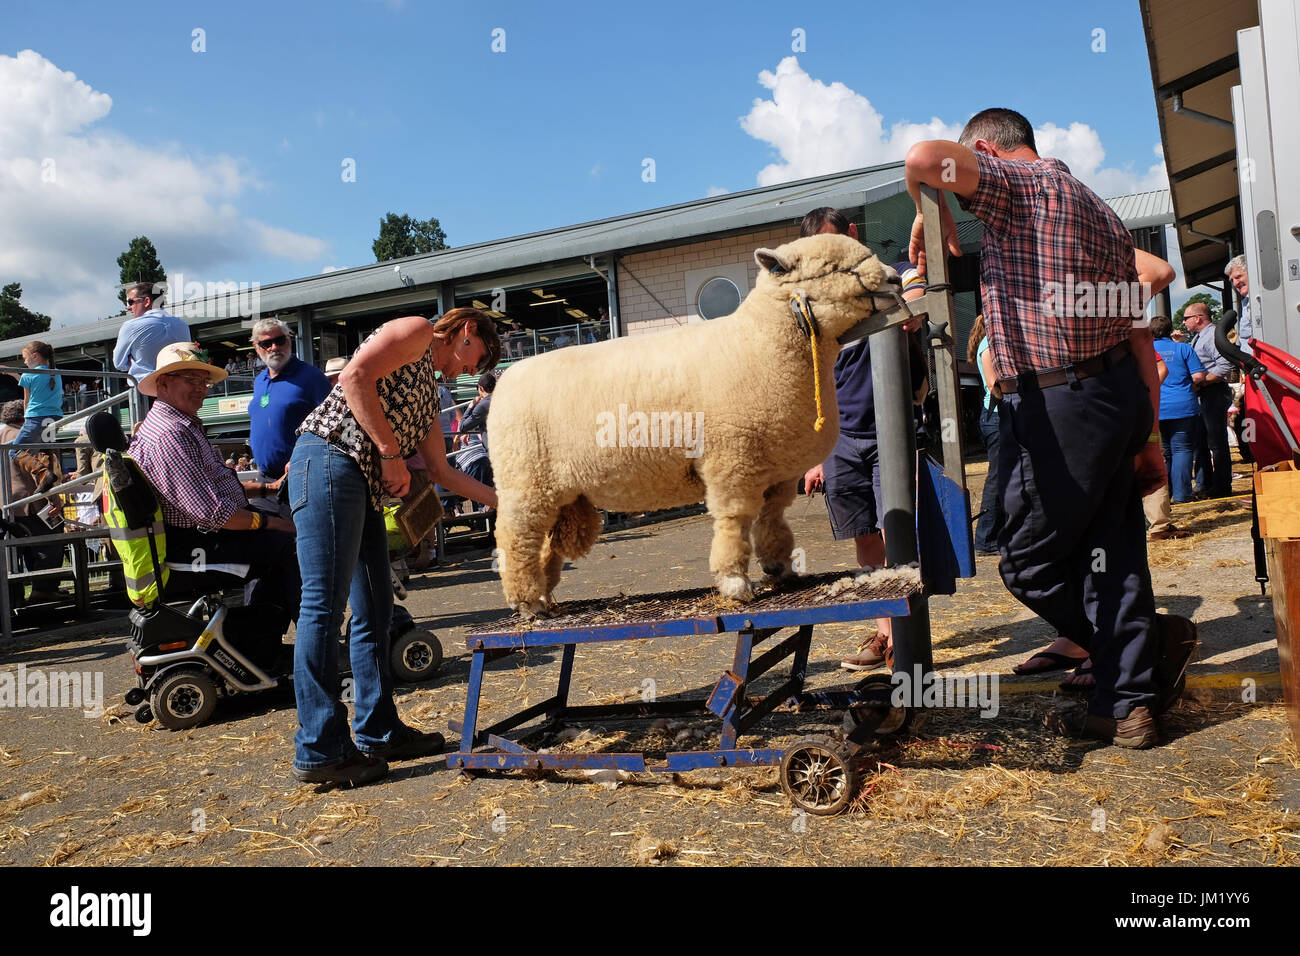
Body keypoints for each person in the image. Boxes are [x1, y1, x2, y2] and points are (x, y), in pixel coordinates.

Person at [906, 107, 1192, 748]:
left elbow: (924, 157)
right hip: (1111, 393)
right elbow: (1136, 332)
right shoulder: (1099, 210)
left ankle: (1133, 663)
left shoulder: (1020, 186)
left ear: (984, 149)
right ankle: (1129, 706)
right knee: (1114, 551)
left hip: (1060, 404)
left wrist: (936, 209)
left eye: (971, 166)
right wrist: (1145, 435)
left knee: (1027, 560)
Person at [289, 307, 500, 786]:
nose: (467, 373)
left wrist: (505, 502)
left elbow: (443, 473)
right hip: (327, 461)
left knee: (376, 608)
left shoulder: (428, 393)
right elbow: (354, 376)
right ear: (466, 332)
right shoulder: (418, 330)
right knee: (323, 605)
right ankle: (320, 747)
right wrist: (388, 452)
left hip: (357, 480)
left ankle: (379, 730)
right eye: (473, 361)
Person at [798, 207, 929, 671]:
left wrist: (911, 301)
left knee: (898, 533)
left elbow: (914, 292)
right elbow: (811, 379)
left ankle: (908, 639)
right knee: (865, 539)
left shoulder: (886, 276)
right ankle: (883, 634)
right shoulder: (812, 305)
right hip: (840, 439)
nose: (829, 260)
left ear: (853, 235)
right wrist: (815, 456)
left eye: (835, 246)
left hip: (891, 432)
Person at [130, 343, 300, 635]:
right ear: (163, 383)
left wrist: (269, 488)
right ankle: (318, 645)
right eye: (190, 380)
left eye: (203, 381)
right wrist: (276, 525)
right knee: (294, 544)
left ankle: (259, 643)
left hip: (200, 536)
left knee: (278, 523)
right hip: (195, 546)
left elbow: (214, 489)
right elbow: (214, 513)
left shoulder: (179, 425)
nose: (200, 388)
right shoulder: (171, 434)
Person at [247, 319, 331, 507]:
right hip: (266, 479)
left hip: (302, 478)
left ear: (290, 340)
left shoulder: (311, 377)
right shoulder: (260, 381)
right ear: (256, 347)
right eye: (266, 343)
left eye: (280, 340)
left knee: (298, 535)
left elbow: (333, 427)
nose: (274, 347)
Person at [1151, 314, 1204, 517]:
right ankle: (1182, 494)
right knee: (1182, 449)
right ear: (1169, 330)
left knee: (1164, 452)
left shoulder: (1147, 351)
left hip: (1157, 406)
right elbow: (1198, 375)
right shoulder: (1184, 348)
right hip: (1183, 405)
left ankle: (1166, 495)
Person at [1183, 302, 1235, 499]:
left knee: (1216, 442)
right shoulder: (1199, 337)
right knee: (1204, 441)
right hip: (1206, 393)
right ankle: (1208, 484)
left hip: (1213, 393)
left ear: (1198, 318)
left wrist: (1202, 382)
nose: (1184, 322)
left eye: (1186, 318)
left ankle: (1222, 486)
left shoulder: (1212, 336)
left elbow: (1224, 366)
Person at [968, 314, 1003, 555]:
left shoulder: (993, 342)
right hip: (997, 416)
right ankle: (985, 539)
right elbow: (993, 384)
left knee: (1005, 475)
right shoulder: (988, 345)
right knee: (997, 477)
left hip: (999, 415)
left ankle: (994, 535)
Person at [112, 283, 191, 384]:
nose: (128, 307)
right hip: (180, 386)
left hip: (145, 390)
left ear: (147, 301)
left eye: (130, 302)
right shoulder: (182, 325)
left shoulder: (130, 327)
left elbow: (119, 364)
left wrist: (133, 360)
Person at [4, 341, 63, 466]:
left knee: (15, 452)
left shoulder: (28, 374)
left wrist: (26, 419)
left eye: (25, 358)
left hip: (36, 418)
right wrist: (13, 373)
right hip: (54, 418)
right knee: (46, 452)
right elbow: (34, 383)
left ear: (35, 356)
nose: (24, 362)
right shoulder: (56, 373)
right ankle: (49, 480)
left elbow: (27, 399)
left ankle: (43, 473)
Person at [451, 371, 497, 491]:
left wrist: (471, 405)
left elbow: (463, 426)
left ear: (480, 388)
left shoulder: (482, 406)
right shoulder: (501, 399)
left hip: (493, 451)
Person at [1225, 255, 1253, 354]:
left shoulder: (1259, 302)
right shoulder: (1246, 303)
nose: (1235, 283)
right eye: (1232, 280)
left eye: (1238, 277)